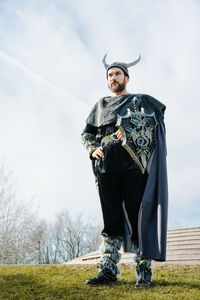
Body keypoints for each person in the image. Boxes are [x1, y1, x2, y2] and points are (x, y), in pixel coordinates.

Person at [81, 54, 168, 287]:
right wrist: (92, 149)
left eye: (117, 73)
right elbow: (87, 133)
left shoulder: (140, 101)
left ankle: (143, 270)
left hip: (133, 167)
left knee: (136, 216)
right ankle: (108, 269)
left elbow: (154, 120)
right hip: (106, 168)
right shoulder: (100, 106)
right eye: (110, 75)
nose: (113, 77)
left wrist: (132, 132)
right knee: (111, 221)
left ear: (126, 78)